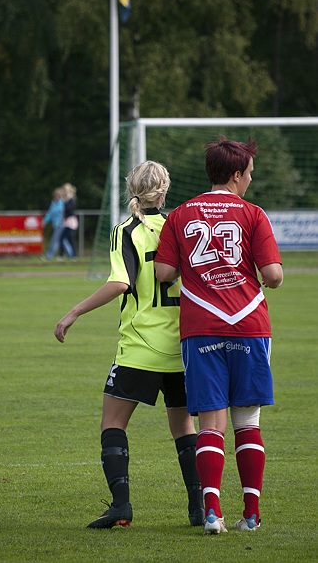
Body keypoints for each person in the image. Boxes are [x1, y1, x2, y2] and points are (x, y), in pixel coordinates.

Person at [54, 161, 204, 529]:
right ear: (165, 188)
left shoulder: (127, 229)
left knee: (113, 423)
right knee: (184, 428)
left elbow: (121, 283)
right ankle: (199, 509)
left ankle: (121, 505)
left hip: (140, 344)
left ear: (131, 188)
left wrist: (73, 312)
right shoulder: (180, 226)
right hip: (182, 346)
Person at [155, 136, 283, 535]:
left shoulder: (180, 215)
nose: (249, 181)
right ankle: (251, 514)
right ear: (234, 175)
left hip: (201, 328)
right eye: (248, 175)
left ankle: (212, 512)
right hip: (249, 325)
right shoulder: (253, 214)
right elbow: (274, 275)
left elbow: (163, 274)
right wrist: (263, 276)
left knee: (211, 422)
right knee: (248, 420)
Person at [41, 187, 65, 260]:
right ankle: (72, 256)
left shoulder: (62, 204)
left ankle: (49, 256)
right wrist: (44, 221)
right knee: (63, 241)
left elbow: (64, 214)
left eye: (58, 195)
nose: (56, 197)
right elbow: (50, 214)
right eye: (55, 195)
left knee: (54, 240)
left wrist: (62, 221)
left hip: (60, 224)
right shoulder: (53, 203)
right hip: (55, 224)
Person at [59, 183, 78, 259]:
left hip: (70, 222)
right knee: (62, 238)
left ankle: (73, 255)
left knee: (70, 238)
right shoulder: (65, 200)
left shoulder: (71, 200)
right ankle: (62, 255)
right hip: (66, 222)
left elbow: (70, 210)